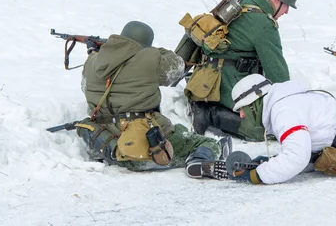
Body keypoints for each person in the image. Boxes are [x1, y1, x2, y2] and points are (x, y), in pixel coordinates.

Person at [76, 20, 230, 175]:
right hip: (144, 143)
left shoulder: (91, 61)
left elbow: (85, 87)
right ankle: (199, 162)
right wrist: (154, 51)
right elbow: (177, 68)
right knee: (206, 143)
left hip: (106, 139)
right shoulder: (149, 58)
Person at [186, 0, 298, 141]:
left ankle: (205, 105)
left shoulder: (239, 2)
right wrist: (292, 106)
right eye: (287, 5)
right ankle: (209, 114)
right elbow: (277, 73)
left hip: (206, 78)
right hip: (227, 84)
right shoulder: (264, 25)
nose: (287, 11)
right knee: (261, 131)